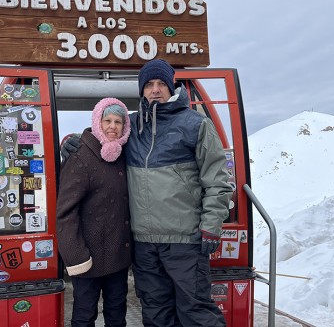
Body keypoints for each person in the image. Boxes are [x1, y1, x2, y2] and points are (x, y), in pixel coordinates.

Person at [62, 59, 233, 327]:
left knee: (195, 311)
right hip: (144, 243)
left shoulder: (195, 124)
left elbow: (218, 180)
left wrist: (211, 225)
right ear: (142, 90)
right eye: (149, 84)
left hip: (184, 240)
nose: (155, 90)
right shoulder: (132, 127)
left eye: (161, 84)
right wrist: (73, 142)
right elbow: (104, 133)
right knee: (155, 312)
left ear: (171, 86)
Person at [56, 97, 132, 327]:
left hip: (117, 256)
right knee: (84, 316)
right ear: (97, 122)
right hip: (88, 257)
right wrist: (77, 257)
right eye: (107, 120)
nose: (112, 126)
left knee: (117, 315)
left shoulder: (123, 153)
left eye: (118, 122)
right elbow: (65, 212)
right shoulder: (81, 155)